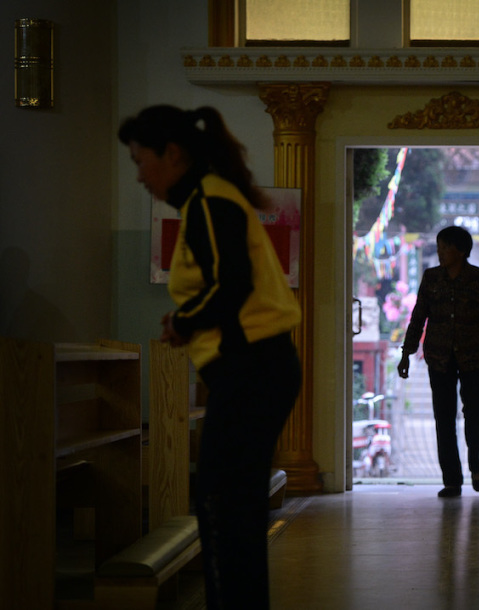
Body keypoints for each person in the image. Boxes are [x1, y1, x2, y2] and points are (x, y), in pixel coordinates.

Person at [119, 105, 301, 609]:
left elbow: (232, 285)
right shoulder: (207, 198)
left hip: (253, 370)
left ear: (172, 154)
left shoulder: (208, 201)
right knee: (230, 509)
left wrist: (182, 321)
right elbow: (222, 289)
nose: (138, 176)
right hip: (252, 369)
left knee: (224, 509)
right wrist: (190, 320)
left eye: (140, 161)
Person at [398, 226, 479, 498]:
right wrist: (406, 353)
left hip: (476, 356)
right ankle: (452, 480)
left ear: (461, 250)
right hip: (439, 357)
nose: (440, 252)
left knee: (474, 412)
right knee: (443, 418)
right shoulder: (431, 278)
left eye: (445, 247)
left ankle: (476, 464)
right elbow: (418, 316)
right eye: (439, 247)